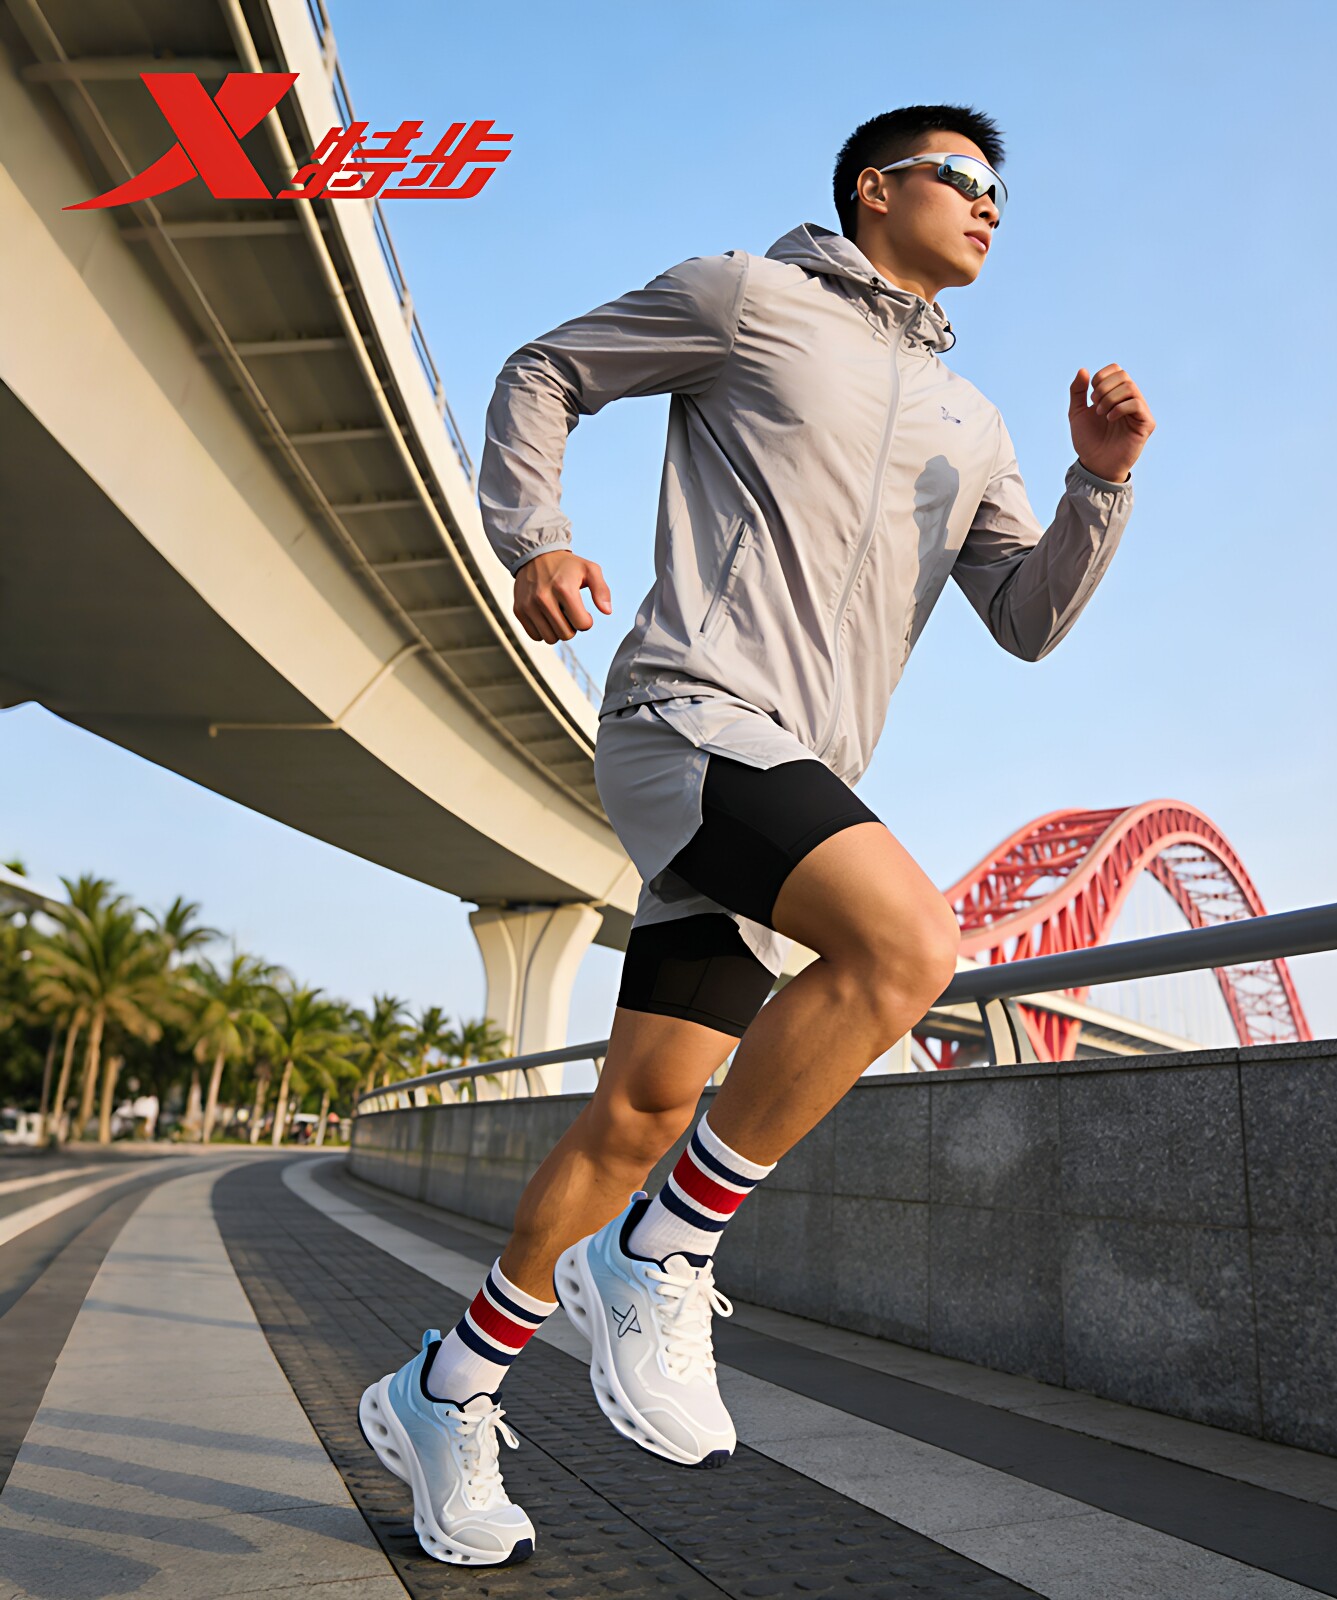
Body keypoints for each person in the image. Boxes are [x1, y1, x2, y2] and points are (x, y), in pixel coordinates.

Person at [358, 102, 1154, 1567]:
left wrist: (1098, 481)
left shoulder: (974, 423)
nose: (989, 205)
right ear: (876, 189)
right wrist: (535, 537)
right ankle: (663, 1254)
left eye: (1001, 193)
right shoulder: (748, 297)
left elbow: (1026, 618)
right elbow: (545, 370)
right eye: (962, 179)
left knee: (641, 1114)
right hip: (691, 719)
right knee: (909, 945)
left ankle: (444, 1389)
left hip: (794, 778)